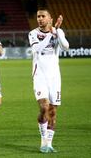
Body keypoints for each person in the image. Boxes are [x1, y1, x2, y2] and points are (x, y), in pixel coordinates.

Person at [28, 9, 69, 153]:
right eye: (38, 16)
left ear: (50, 19)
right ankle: (43, 139)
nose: (39, 19)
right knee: (44, 107)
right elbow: (37, 49)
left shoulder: (58, 31)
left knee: (52, 111)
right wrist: (52, 33)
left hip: (54, 77)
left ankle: (49, 144)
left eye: (43, 16)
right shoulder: (33, 33)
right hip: (39, 75)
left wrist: (57, 31)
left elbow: (66, 46)